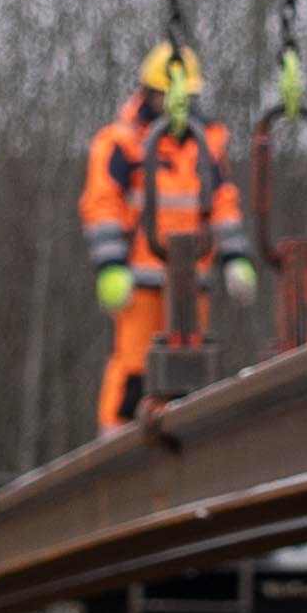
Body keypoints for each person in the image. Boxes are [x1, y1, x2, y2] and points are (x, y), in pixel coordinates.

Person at [79, 40, 233, 430]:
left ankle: (190, 440)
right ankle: (115, 443)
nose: (176, 104)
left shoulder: (207, 144)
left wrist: (236, 256)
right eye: (167, 95)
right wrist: (111, 265)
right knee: (134, 368)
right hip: (141, 281)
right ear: (149, 93)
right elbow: (102, 203)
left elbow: (223, 203)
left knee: (193, 368)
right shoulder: (122, 142)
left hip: (192, 281)